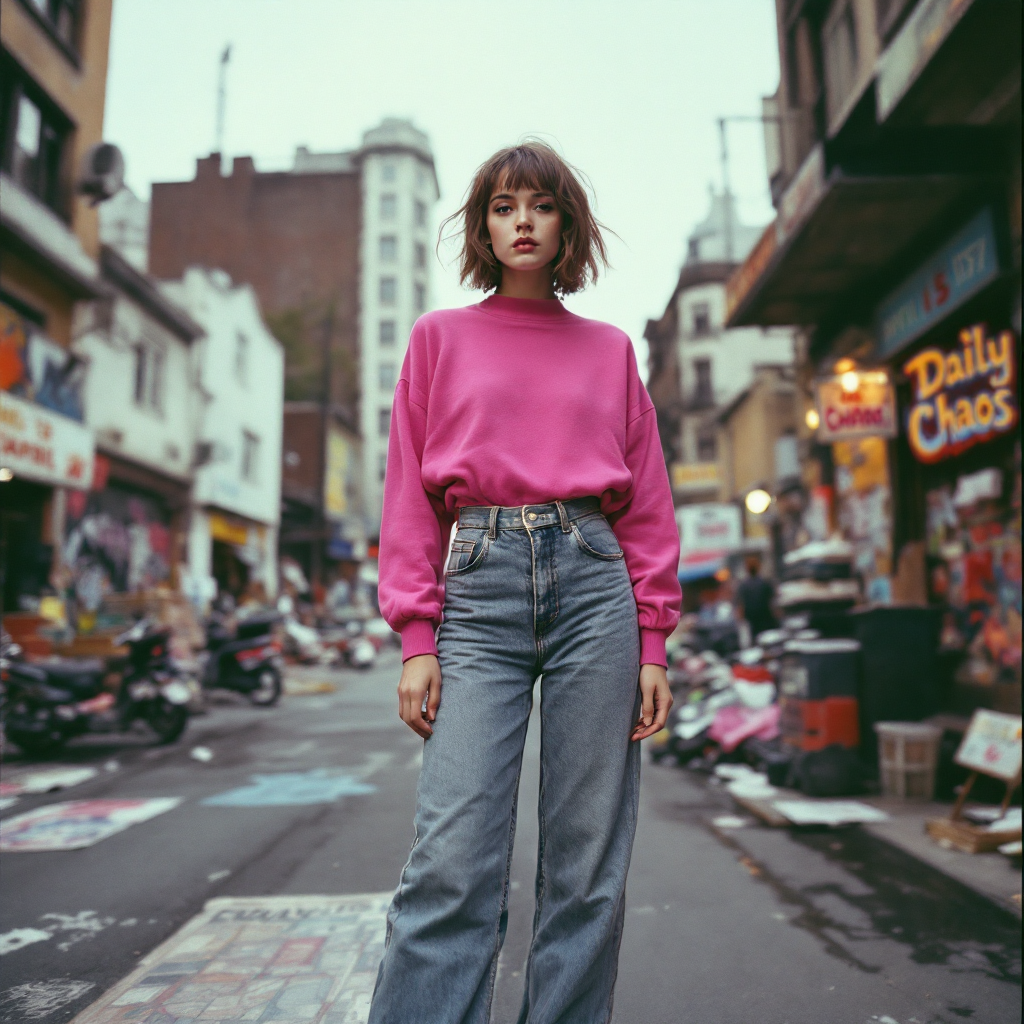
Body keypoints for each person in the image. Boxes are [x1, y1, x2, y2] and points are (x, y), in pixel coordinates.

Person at [369, 141, 682, 1024]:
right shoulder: (439, 339)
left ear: (567, 224)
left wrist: (654, 640)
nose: (523, 223)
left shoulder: (611, 350)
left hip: (593, 582)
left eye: (541, 206)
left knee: (587, 865)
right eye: (505, 207)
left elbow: (648, 503)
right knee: (451, 857)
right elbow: (409, 498)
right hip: (478, 583)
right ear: (483, 226)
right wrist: (416, 640)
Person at [736, 554, 777, 641]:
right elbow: (773, 603)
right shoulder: (765, 583)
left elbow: (740, 606)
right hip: (767, 619)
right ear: (758, 566)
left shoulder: (743, 586)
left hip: (753, 621)